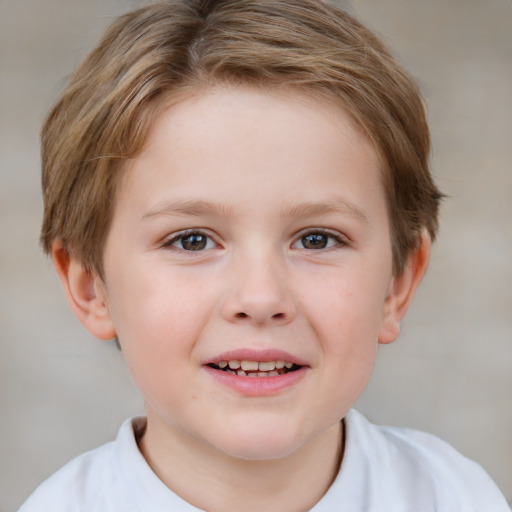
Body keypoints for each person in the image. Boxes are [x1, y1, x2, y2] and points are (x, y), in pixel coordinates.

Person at [19, 0, 509, 510]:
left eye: (317, 239)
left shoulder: (456, 496)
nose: (260, 297)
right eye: (192, 240)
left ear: (398, 283)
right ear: (90, 286)